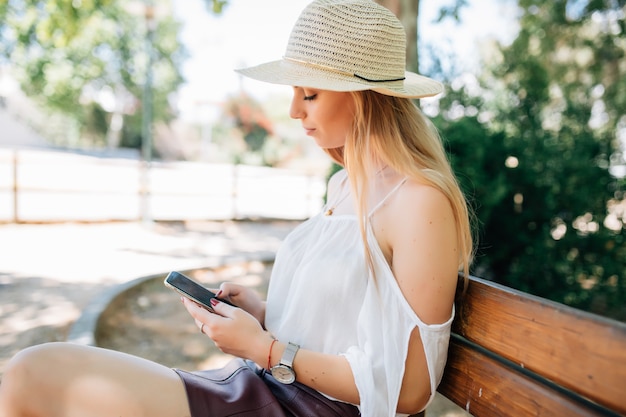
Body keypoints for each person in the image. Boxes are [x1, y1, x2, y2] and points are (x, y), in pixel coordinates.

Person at [0, 0, 473, 416]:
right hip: (262, 385)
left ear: (367, 98)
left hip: (300, 405)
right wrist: (263, 313)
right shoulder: (344, 186)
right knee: (32, 374)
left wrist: (264, 347)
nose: (293, 110)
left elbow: (409, 390)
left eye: (309, 92)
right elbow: (341, 325)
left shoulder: (419, 201)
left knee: (33, 375)